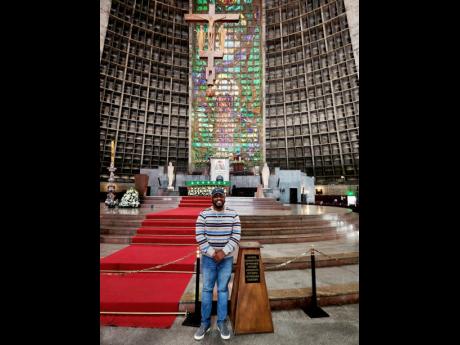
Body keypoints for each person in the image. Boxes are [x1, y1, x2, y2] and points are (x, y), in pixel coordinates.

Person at [194, 187, 241, 341]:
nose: (218, 198)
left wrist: (223, 252)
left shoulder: (233, 214)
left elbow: (236, 236)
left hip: (226, 259)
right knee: (207, 290)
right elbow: (199, 235)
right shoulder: (203, 214)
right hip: (208, 259)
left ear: (225, 197)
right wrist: (213, 252)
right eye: (216, 196)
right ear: (212, 198)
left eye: (221, 195)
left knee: (222, 290)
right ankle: (205, 323)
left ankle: (221, 322)